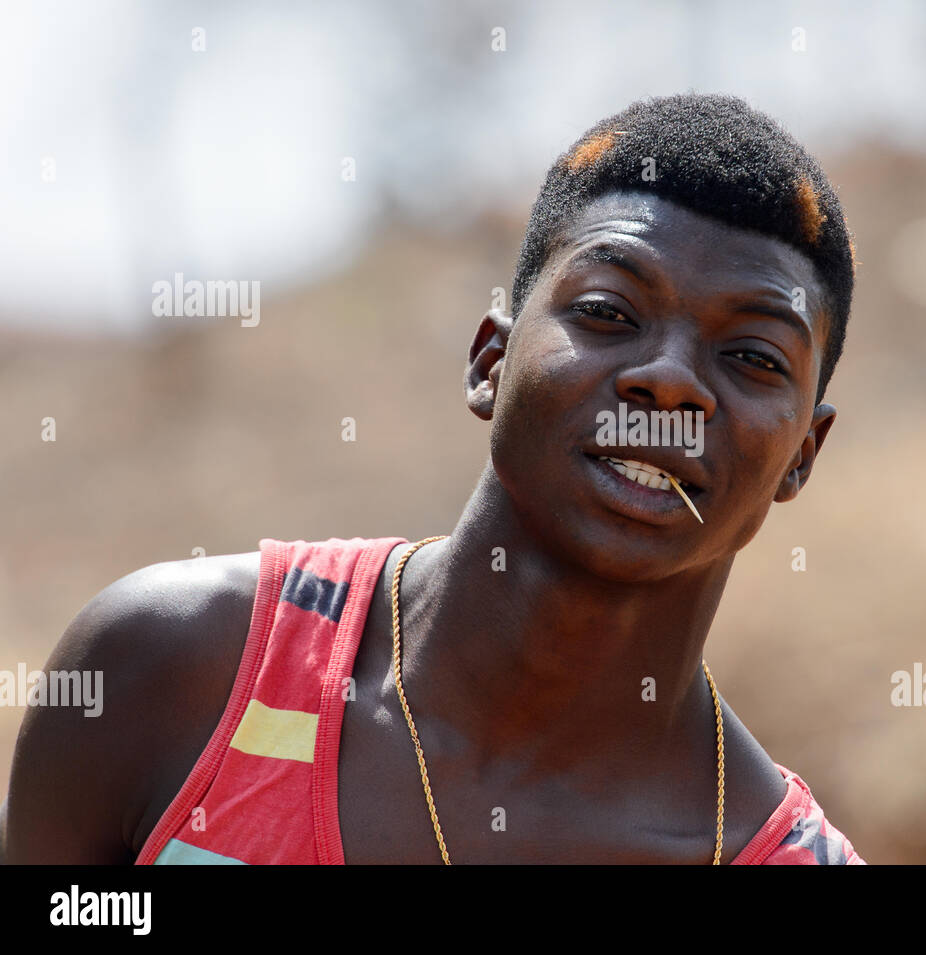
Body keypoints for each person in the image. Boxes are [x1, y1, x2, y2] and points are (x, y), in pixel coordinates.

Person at [1, 92, 863, 865]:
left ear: (802, 456)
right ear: (491, 361)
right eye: (607, 311)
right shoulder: (177, 671)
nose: (669, 382)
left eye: (752, 356)